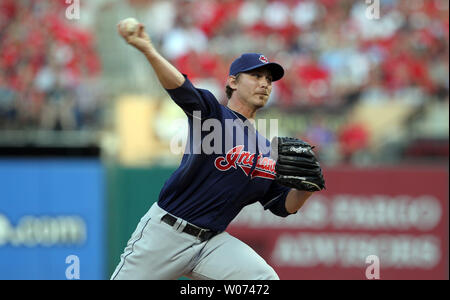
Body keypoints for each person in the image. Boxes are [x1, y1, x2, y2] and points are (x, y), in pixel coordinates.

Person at [111, 20, 324, 280]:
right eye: (256, 76)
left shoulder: (267, 150)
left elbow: (283, 206)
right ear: (233, 82)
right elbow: (181, 88)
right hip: (166, 234)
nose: (265, 83)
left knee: (264, 280)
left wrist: (305, 190)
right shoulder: (213, 115)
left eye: (269, 79)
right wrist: (149, 51)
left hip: (212, 244)